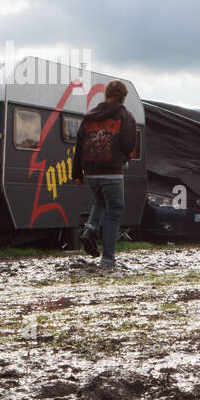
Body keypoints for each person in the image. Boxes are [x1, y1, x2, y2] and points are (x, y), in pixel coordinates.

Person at [73, 80, 137, 271]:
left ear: (106, 94)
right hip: (112, 172)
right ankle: (108, 260)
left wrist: (77, 174)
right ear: (123, 97)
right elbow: (128, 145)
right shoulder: (125, 116)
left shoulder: (90, 116)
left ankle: (91, 228)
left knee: (100, 200)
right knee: (114, 213)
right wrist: (124, 156)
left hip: (91, 172)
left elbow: (78, 146)